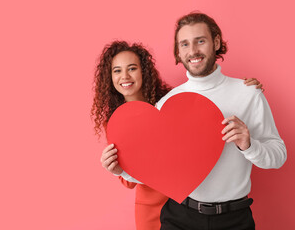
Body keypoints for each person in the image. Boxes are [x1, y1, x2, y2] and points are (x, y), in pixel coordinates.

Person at [91, 41, 264, 230]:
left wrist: (244, 89)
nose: (125, 76)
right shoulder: (115, 123)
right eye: (117, 71)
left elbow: (205, 114)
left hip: (189, 203)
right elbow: (128, 179)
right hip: (151, 207)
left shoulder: (171, 101)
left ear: (144, 71)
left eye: (132, 68)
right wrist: (117, 169)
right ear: (109, 77)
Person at [156, 12, 287, 230]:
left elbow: (279, 156)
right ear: (178, 52)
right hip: (179, 217)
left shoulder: (249, 93)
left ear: (216, 42)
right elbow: (153, 165)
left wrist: (249, 144)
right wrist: (120, 169)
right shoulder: (167, 103)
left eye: (201, 41)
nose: (193, 51)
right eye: (185, 44)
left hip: (234, 219)